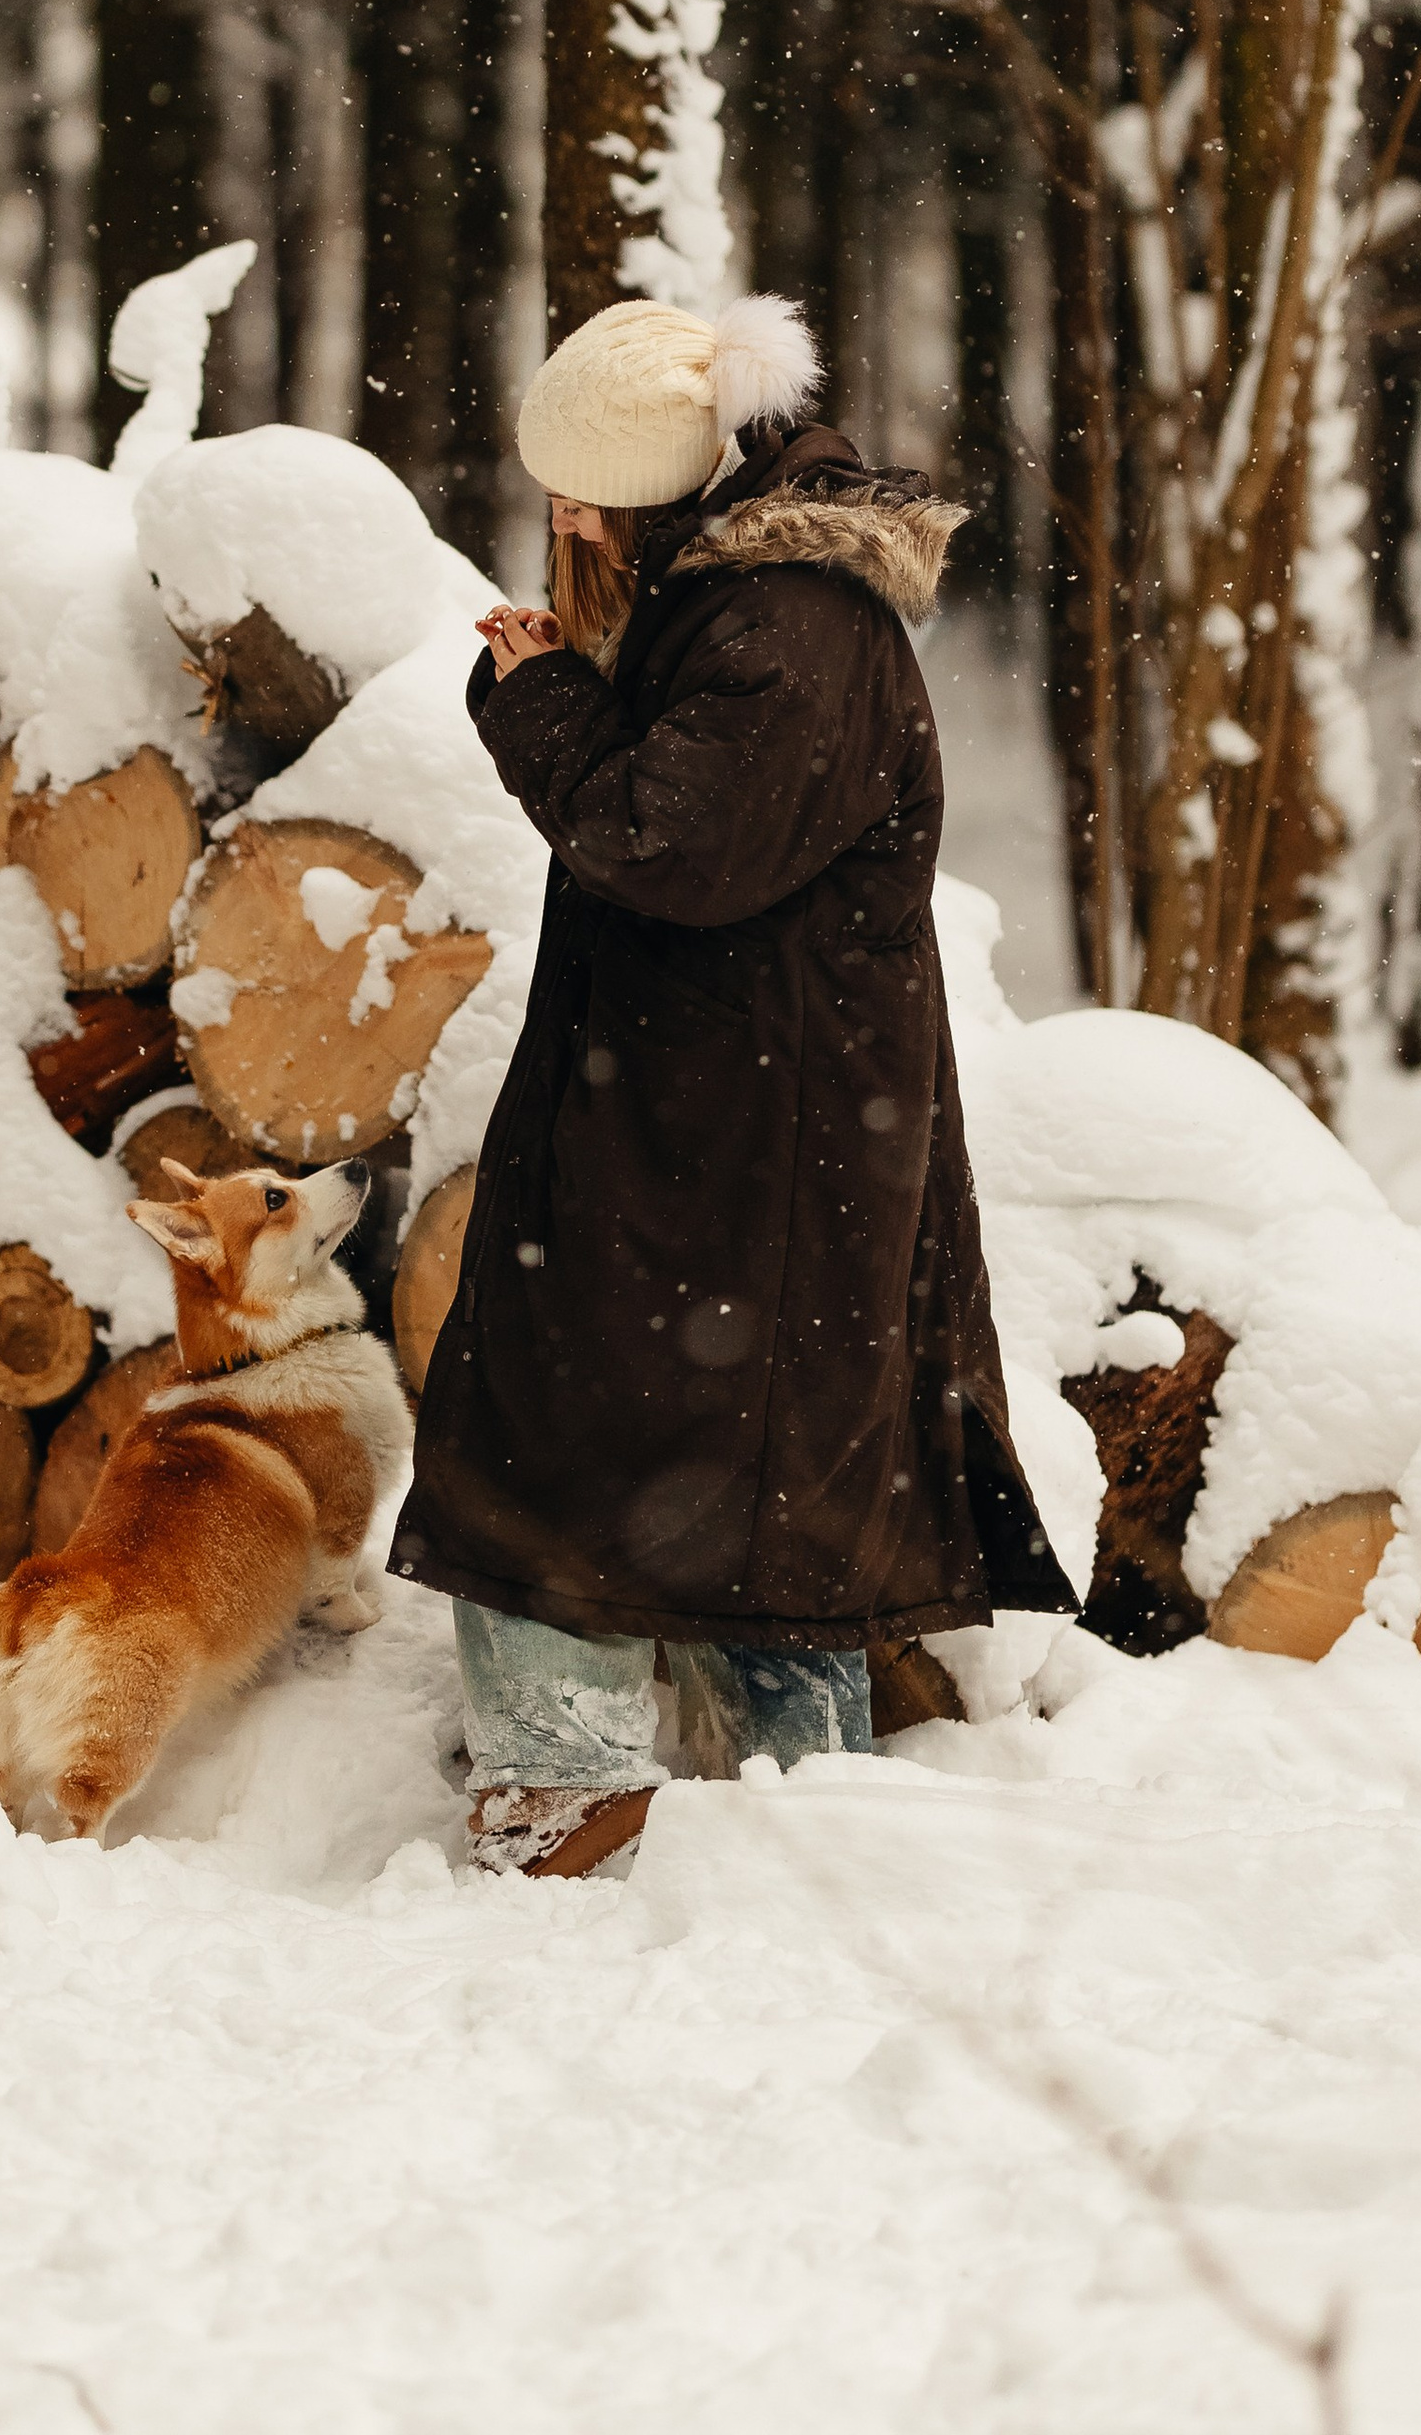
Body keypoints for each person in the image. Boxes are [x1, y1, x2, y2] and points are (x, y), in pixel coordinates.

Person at [388, 292, 1072, 1877]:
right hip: (716, 1123)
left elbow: (668, 842)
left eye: (585, 491)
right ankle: (744, 1803)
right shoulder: (742, 593)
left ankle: (624, 1802)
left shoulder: (793, 627)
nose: (561, 514)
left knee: (609, 1443)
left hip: (753, 1146)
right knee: (702, 1458)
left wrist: (542, 695)